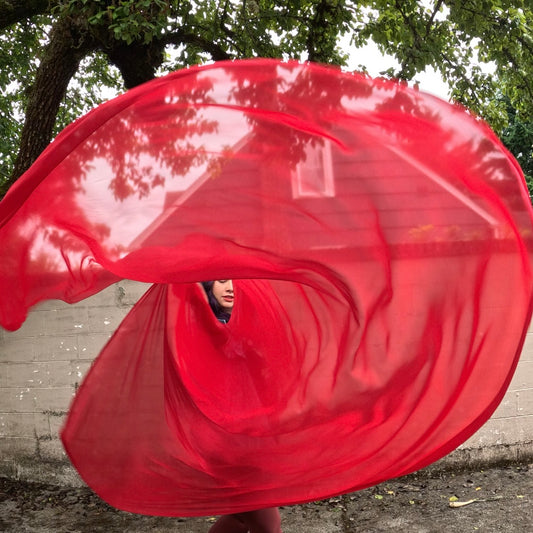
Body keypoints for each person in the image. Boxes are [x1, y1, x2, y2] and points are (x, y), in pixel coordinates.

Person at [201, 279, 283, 533]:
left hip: (253, 433)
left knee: (240, 517)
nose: (231, 288)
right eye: (222, 280)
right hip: (227, 439)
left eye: (237, 281)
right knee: (267, 524)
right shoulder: (205, 325)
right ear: (208, 285)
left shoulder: (252, 322)